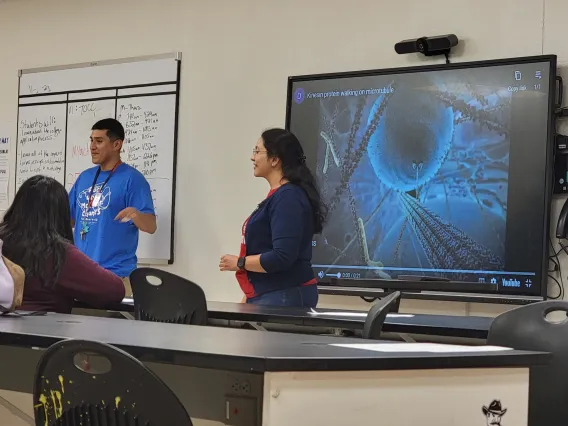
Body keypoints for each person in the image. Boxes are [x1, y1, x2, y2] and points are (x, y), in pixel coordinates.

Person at [219, 128, 326, 307]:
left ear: (275, 159)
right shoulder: (281, 196)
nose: (252, 158)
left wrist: (240, 262)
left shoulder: (288, 197)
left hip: (284, 294)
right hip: (271, 293)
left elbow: (282, 256)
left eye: (257, 151)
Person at [0, 175, 125, 313]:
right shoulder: (58, 253)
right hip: (40, 331)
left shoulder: (3, 241)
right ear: (61, 214)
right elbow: (115, 290)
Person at [69, 118, 156, 296]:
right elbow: (67, 219)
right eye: (91, 140)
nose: (92, 146)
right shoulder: (84, 178)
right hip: (81, 276)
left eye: (99, 141)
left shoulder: (132, 179)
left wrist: (135, 214)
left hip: (115, 277)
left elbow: (151, 226)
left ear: (117, 144)